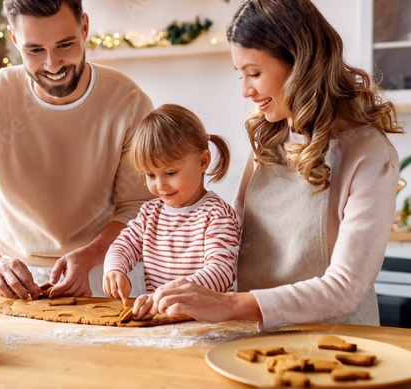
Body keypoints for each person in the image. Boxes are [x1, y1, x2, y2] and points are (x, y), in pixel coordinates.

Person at [146, 0, 405, 330]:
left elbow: (345, 288)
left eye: (254, 73)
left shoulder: (368, 153)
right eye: (241, 75)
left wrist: (229, 304)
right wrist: (175, 294)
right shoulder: (268, 139)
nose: (245, 90)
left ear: (300, 62)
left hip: (338, 346)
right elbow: (231, 244)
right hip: (255, 341)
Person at [0, 0, 154, 300]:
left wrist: (89, 256)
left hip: (107, 271)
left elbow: (138, 207)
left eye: (65, 44)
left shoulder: (128, 101)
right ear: (14, 39)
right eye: (35, 50)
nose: (53, 65)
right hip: (15, 277)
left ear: (85, 27)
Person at [102, 104, 241, 318]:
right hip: (162, 321)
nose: (161, 185)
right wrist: (114, 269)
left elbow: (220, 272)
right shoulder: (150, 214)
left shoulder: (217, 215)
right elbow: (122, 246)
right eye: (150, 175)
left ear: (203, 161)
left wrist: (167, 295)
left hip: (208, 322)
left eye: (170, 172)